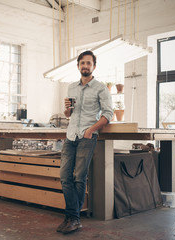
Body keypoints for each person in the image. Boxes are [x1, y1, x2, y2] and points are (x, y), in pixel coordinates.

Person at [56, 50, 114, 234]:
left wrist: (91, 130)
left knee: (79, 178)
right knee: (65, 177)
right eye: (82, 63)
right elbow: (69, 115)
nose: (85, 66)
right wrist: (66, 110)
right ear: (78, 66)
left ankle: (72, 218)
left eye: (89, 63)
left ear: (93, 67)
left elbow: (108, 114)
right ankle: (73, 217)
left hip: (87, 137)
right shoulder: (71, 88)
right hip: (71, 135)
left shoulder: (100, 88)